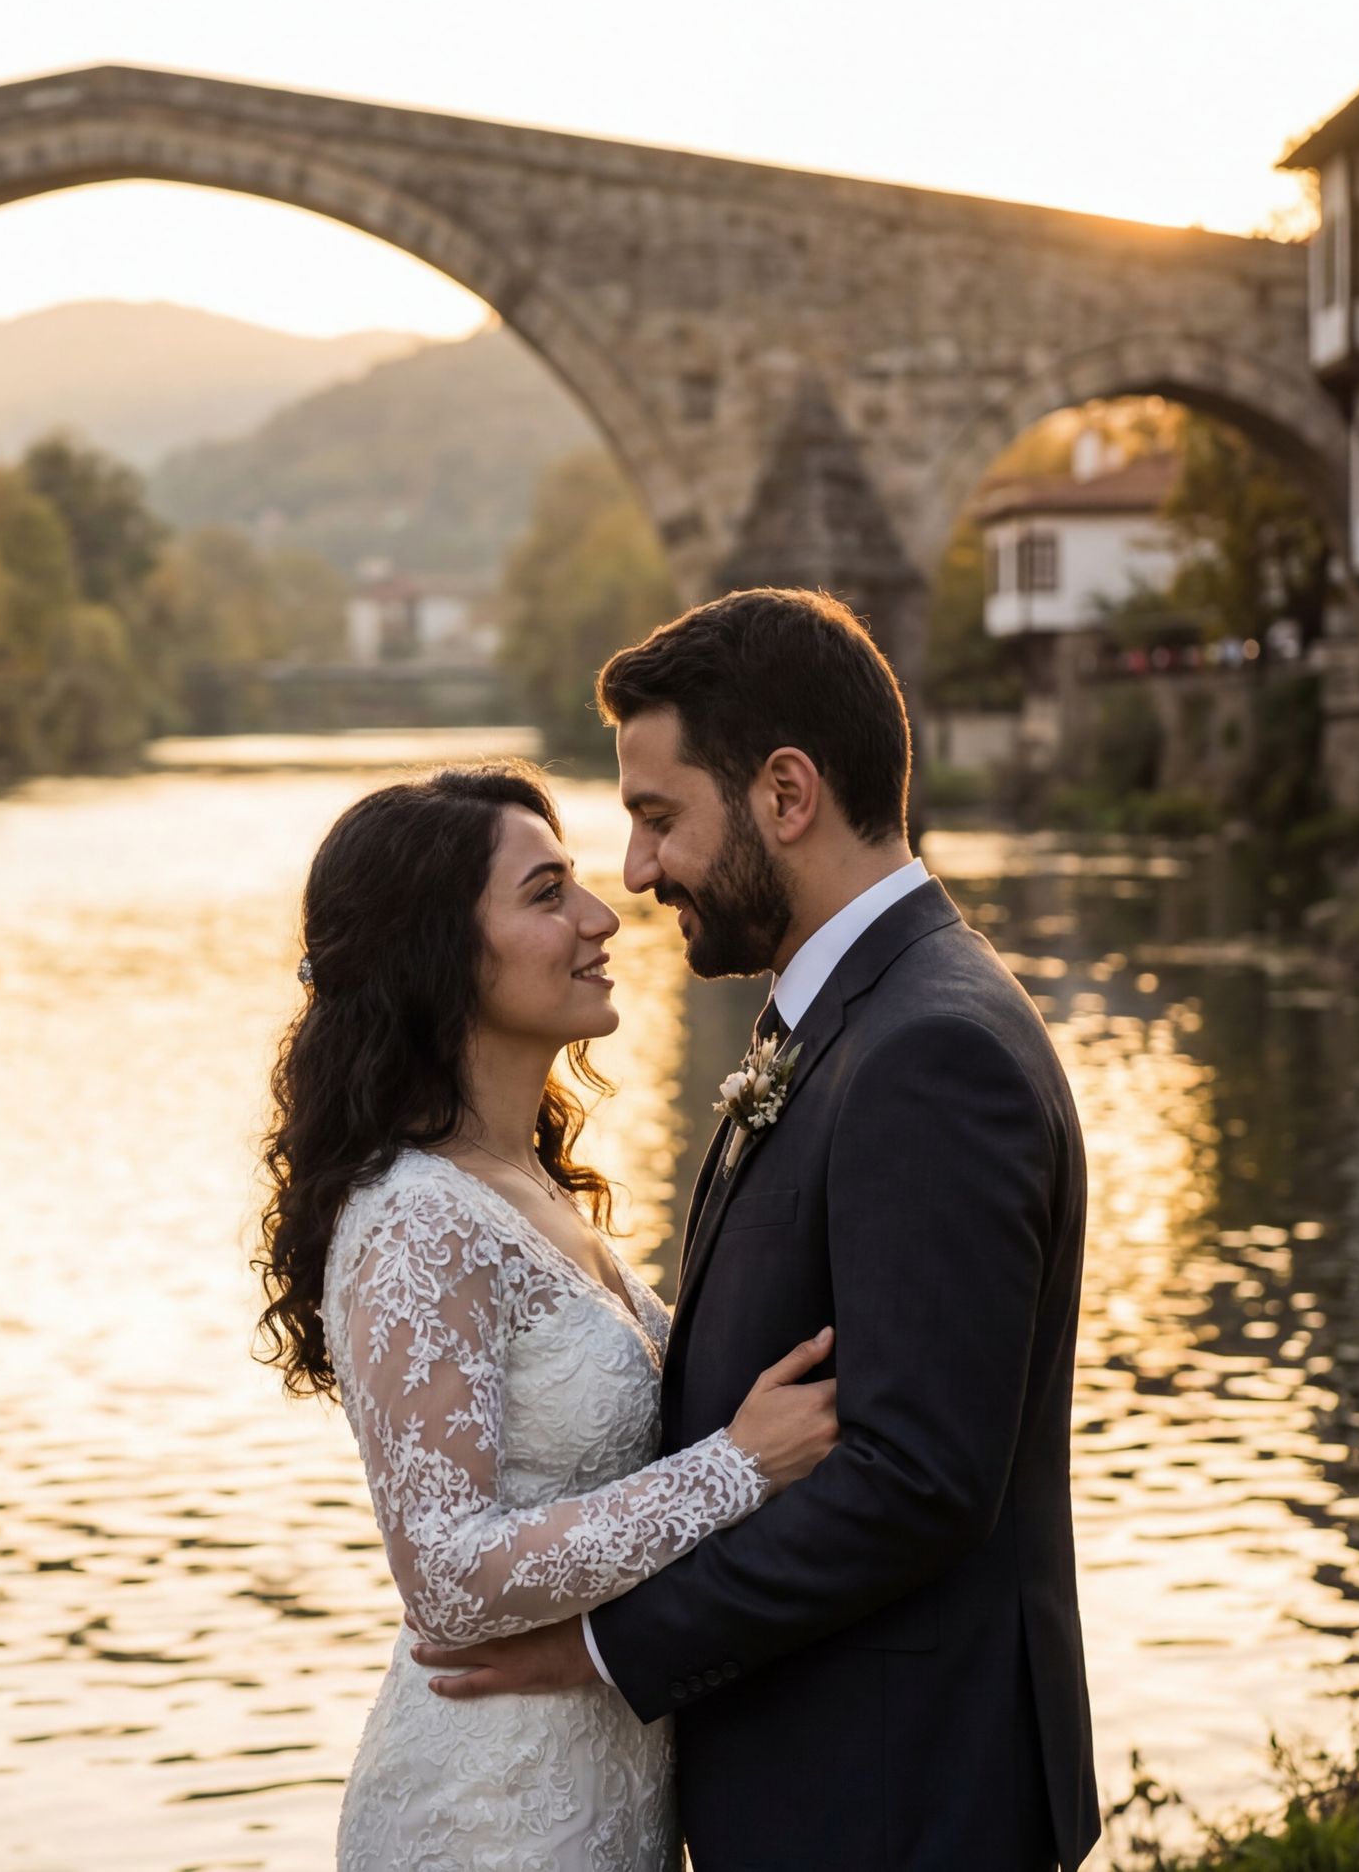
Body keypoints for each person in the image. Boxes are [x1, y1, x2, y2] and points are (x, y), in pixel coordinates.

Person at [408, 589, 1100, 1870]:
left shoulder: (930, 1049)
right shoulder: (844, 1014)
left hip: (895, 1798)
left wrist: (610, 1649)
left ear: (787, 794)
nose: (636, 873)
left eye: (660, 817)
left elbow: (918, 1479)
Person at [255, 759, 841, 1871]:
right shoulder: (416, 1218)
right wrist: (736, 1467)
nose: (599, 916)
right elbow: (447, 1574)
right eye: (544, 895)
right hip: (488, 1815)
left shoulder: (523, 1182)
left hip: (606, 1785)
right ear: (439, 954)